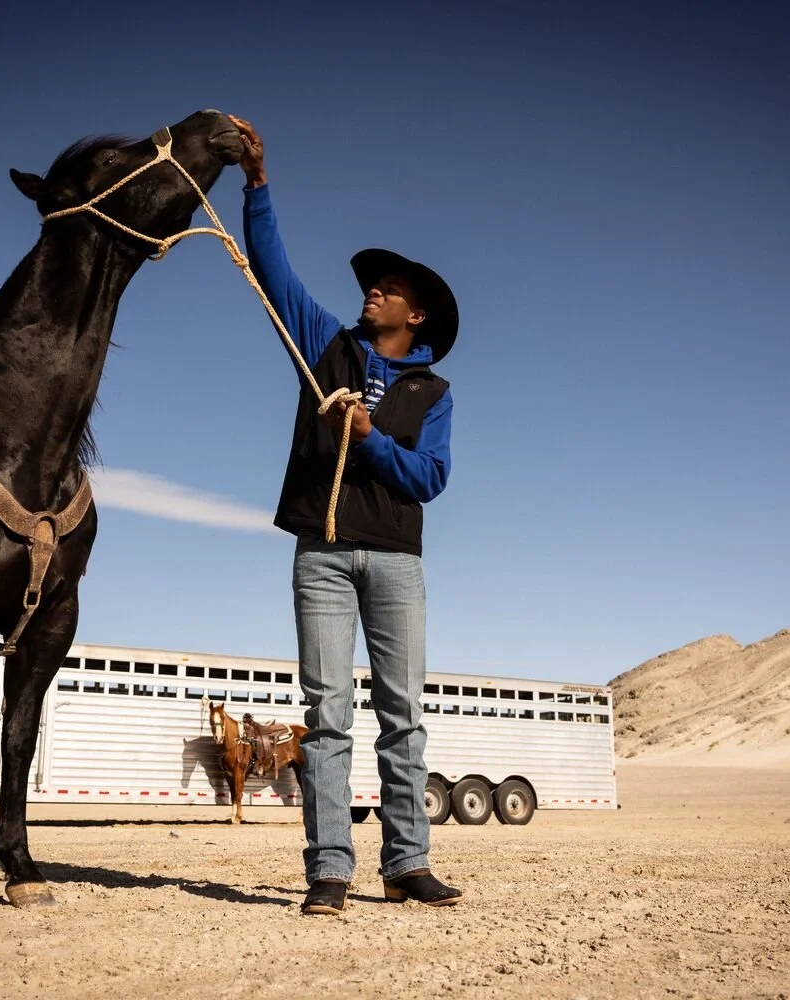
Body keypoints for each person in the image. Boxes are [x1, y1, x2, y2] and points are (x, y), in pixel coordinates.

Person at [231, 116, 463, 915]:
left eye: (392, 287)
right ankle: (330, 870)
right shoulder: (325, 345)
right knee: (326, 717)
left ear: (417, 316)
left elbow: (429, 479)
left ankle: (406, 866)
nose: (375, 289)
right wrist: (257, 183)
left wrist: (366, 441)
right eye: (376, 282)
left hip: (397, 560)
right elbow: (272, 270)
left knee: (404, 718)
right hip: (321, 552)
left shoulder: (433, 394)